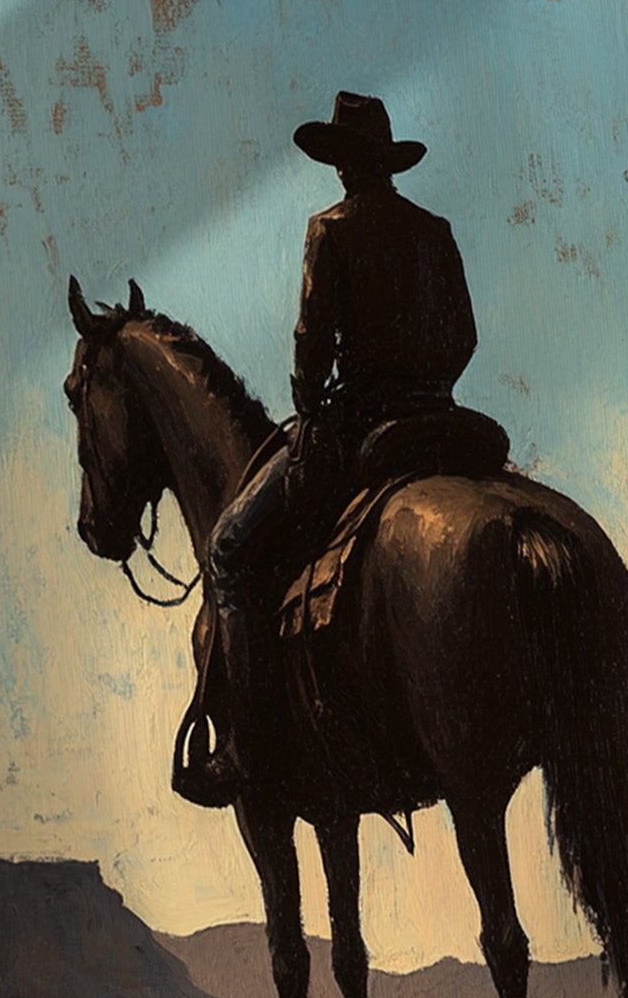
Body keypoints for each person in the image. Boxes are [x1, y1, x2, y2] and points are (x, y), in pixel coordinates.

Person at [178, 93, 495, 806]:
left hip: (361, 425)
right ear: (385, 162)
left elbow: (309, 349)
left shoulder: (331, 230)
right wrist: (428, 384)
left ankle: (248, 751)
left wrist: (310, 401)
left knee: (229, 547)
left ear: (343, 164)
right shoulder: (433, 230)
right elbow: (465, 336)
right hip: (442, 418)